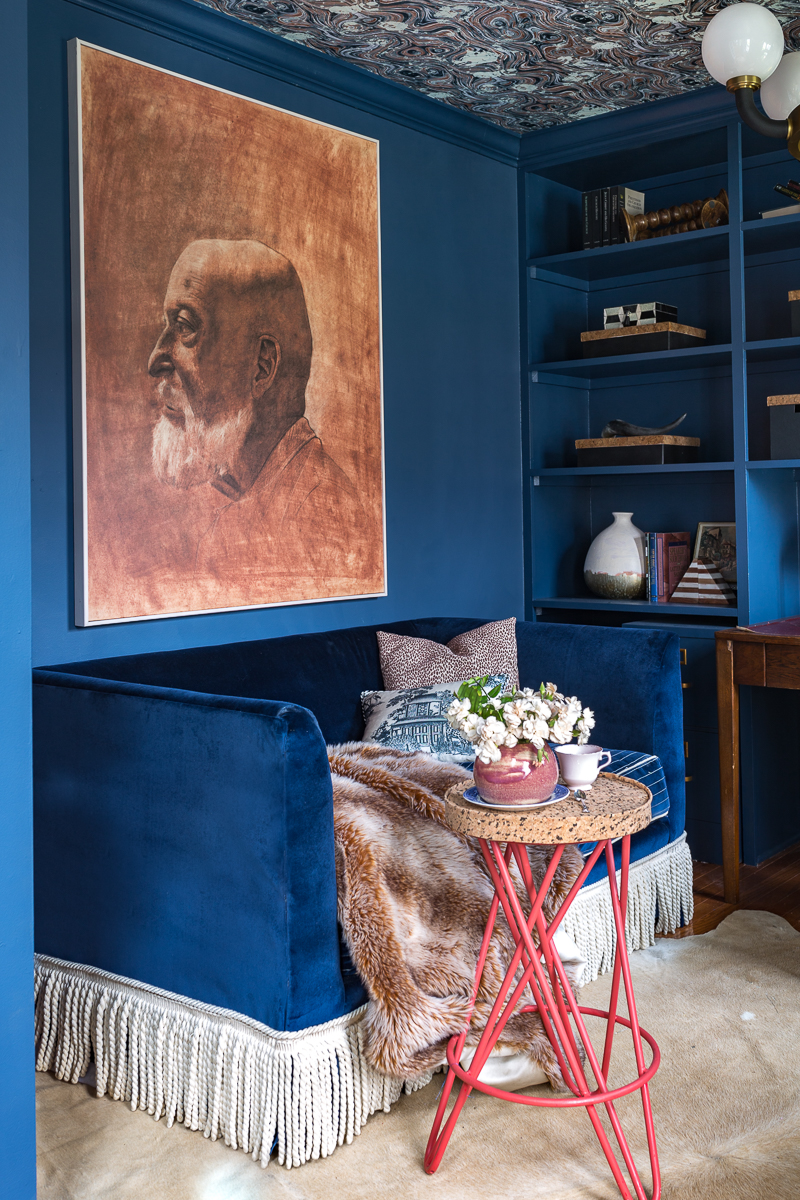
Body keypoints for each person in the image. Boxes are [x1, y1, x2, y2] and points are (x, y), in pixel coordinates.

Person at [147, 238, 379, 606]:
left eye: (186, 327)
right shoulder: (243, 506)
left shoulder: (323, 519)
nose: (156, 358)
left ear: (261, 367)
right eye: (166, 327)